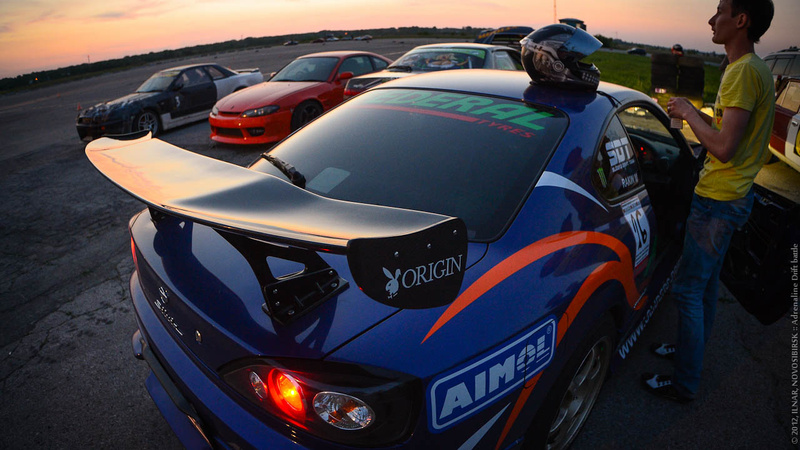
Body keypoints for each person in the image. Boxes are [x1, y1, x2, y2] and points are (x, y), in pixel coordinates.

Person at [641, 0, 775, 403]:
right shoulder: (755, 69)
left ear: (741, 20)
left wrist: (688, 111)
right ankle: (689, 352)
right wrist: (701, 118)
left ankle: (684, 383)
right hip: (733, 197)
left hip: (717, 201)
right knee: (705, 286)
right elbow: (733, 136)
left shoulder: (742, 72)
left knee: (687, 290)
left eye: (719, 11)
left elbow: (724, 148)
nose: (711, 20)